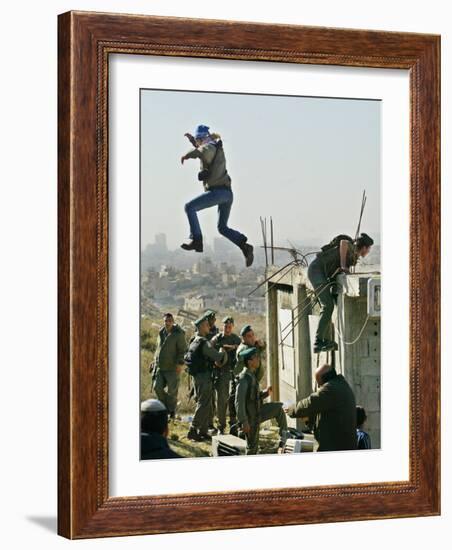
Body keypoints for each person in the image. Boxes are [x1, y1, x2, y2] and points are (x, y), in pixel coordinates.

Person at [180, 124, 254, 267]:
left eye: (198, 140)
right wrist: (191, 140)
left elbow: (201, 150)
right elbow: (200, 147)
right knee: (222, 227)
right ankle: (245, 246)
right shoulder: (214, 145)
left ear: (203, 139)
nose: (197, 143)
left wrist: (186, 155)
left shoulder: (209, 147)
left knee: (189, 207)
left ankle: (197, 240)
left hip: (218, 192)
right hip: (227, 194)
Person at [308, 233, 374, 353]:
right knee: (327, 306)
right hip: (316, 271)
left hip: (319, 272)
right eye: (368, 249)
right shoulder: (352, 248)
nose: (368, 251)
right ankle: (318, 342)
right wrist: (343, 265)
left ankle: (322, 340)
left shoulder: (353, 256)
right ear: (364, 247)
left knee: (329, 305)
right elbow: (343, 242)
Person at [285, 364, 357, 452]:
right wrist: (309, 420)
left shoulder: (330, 389)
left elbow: (309, 403)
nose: (319, 387)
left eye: (319, 383)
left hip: (335, 447)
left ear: (325, 379)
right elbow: (329, 416)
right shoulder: (340, 385)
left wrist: (291, 409)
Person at [235, 347, 287, 455]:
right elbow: (239, 402)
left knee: (278, 408)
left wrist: (265, 393)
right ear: (249, 362)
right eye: (256, 358)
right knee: (252, 448)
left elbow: (252, 397)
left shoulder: (251, 375)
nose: (258, 359)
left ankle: (284, 439)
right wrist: (244, 422)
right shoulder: (244, 379)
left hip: (258, 412)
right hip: (250, 418)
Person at [184, 313, 228, 441]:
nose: (209, 326)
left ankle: (202, 431)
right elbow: (217, 357)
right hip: (204, 377)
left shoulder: (194, 340)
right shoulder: (204, 342)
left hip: (197, 377)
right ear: (202, 326)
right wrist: (222, 352)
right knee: (204, 404)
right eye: (207, 325)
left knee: (206, 403)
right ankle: (193, 429)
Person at [150, 313, 187, 419]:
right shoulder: (161, 332)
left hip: (172, 368)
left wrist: (180, 364)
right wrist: (154, 361)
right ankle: (164, 408)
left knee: (172, 391)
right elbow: (158, 348)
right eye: (166, 321)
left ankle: (171, 411)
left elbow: (183, 350)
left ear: (173, 321)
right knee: (157, 387)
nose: (167, 323)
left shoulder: (178, 334)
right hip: (160, 367)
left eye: (170, 321)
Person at [211, 316, 241, 434]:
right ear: (222, 326)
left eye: (229, 327)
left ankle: (233, 425)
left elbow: (242, 349)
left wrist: (234, 347)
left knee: (234, 399)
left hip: (233, 373)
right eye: (225, 326)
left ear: (232, 327)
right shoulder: (217, 339)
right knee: (221, 401)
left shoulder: (236, 339)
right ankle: (221, 426)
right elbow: (210, 350)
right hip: (221, 373)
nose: (227, 329)